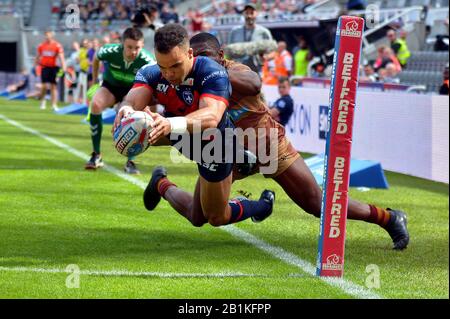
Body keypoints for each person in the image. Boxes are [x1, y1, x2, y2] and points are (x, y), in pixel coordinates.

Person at [187, 32, 409, 250]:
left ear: (221, 54)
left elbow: (254, 83)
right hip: (229, 155)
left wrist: (213, 74)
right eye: (197, 58)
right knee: (198, 216)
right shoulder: (189, 79)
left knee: (315, 203)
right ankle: (161, 183)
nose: (203, 62)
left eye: (207, 56)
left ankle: (389, 218)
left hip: (268, 147)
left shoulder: (234, 70)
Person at [115, 24, 275, 227]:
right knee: (142, 125)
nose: (169, 74)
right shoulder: (151, 72)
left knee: (210, 217)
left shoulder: (213, 73)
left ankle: (262, 205)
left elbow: (211, 117)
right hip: (180, 134)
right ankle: (239, 156)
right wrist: (127, 111)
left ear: (190, 53)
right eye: (162, 67)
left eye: (175, 66)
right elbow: (133, 100)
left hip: (214, 145)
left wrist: (170, 123)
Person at [85, 27, 156, 175]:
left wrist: (149, 104)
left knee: (139, 118)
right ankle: (96, 155)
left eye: (137, 48)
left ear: (142, 46)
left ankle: (131, 161)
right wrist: (94, 81)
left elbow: (154, 81)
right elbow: (96, 59)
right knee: (96, 104)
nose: (133, 52)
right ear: (122, 44)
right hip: (110, 87)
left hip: (132, 91)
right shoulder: (109, 51)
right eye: (129, 47)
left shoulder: (148, 60)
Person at [228, 2, 273, 72]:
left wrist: (265, 57)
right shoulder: (234, 32)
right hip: (238, 71)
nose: (249, 16)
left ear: (256, 14)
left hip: (258, 71)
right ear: (243, 14)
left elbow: (272, 52)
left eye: (252, 13)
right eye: (247, 13)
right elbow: (229, 52)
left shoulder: (264, 32)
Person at [35, 30, 66, 111]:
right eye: (46, 35)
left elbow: (61, 57)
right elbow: (38, 56)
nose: (47, 37)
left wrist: (63, 68)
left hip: (54, 68)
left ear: (52, 35)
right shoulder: (41, 45)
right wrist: (35, 66)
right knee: (44, 86)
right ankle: (42, 101)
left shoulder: (57, 45)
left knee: (53, 86)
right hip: (44, 67)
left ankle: (54, 104)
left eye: (48, 35)